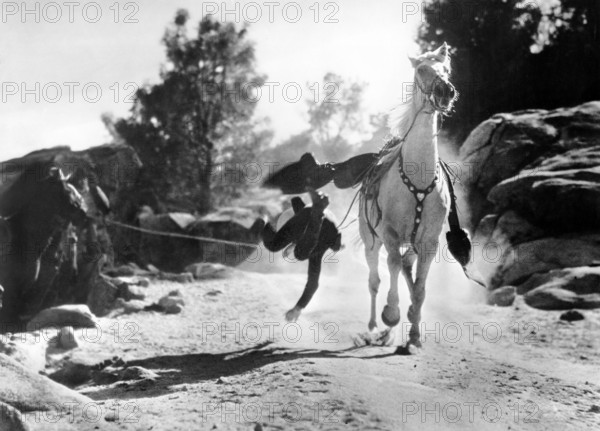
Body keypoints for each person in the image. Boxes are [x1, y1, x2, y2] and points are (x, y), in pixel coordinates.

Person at [260, 188, 342, 322]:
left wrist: (298, 308)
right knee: (274, 246)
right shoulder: (316, 253)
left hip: (321, 221)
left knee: (275, 245)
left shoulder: (319, 249)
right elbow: (313, 283)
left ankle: (265, 219)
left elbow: (313, 284)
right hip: (323, 222)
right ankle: (264, 219)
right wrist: (298, 308)